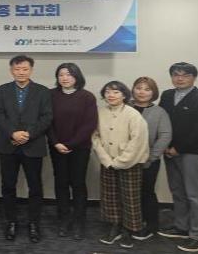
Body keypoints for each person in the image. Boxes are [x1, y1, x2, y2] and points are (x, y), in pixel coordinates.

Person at [157, 63, 198, 253]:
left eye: (185, 75)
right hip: (169, 152)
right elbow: (161, 122)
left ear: (194, 77)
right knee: (178, 191)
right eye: (176, 74)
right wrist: (164, 146)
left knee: (195, 196)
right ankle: (181, 227)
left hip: (193, 154)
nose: (180, 78)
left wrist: (178, 148)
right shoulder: (167, 95)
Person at [0, 55, 53, 243]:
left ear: (31, 70)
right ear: (11, 70)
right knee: (8, 186)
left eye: (25, 69)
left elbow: (47, 117)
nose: (21, 72)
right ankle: (11, 221)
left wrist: (28, 134)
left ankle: (33, 223)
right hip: (8, 145)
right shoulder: (2, 90)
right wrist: (13, 133)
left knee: (35, 187)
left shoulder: (43, 91)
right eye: (17, 69)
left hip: (33, 145)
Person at [93, 81, 149, 250]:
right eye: (107, 92)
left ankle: (128, 230)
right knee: (110, 196)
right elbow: (95, 137)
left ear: (124, 95)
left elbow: (138, 141)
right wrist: (106, 160)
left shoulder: (133, 114)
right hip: (107, 162)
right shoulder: (100, 112)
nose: (111, 95)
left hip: (130, 162)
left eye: (116, 92)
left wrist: (120, 162)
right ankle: (115, 226)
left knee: (130, 198)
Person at [47, 63, 98, 240]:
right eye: (61, 74)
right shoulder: (51, 95)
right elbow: (47, 122)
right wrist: (55, 143)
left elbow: (90, 124)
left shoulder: (87, 97)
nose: (65, 78)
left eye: (69, 74)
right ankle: (64, 219)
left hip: (80, 148)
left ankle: (79, 221)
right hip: (56, 147)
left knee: (78, 184)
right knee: (60, 183)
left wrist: (70, 144)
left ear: (77, 76)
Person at [130, 76, 172, 240]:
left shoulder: (159, 112)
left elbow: (165, 135)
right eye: (139, 88)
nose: (142, 92)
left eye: (147, 89)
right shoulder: (124, 107)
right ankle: (129, 223)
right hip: (124, 160)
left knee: (146, 192)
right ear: (133, 90)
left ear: (153, 93)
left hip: (148, 161)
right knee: (127, 193)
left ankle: (150, 224)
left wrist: (151, 157)